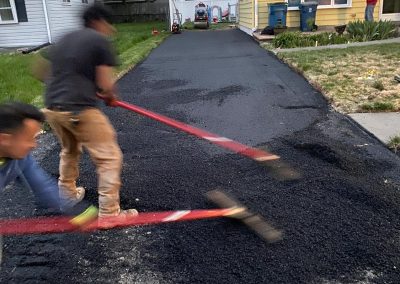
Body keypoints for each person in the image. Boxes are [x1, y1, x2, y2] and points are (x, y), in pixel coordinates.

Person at [40, 4, 137, 225]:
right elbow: (105, 84)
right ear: (98, 22)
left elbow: (41, 70)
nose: (111, 30)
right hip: (79, 109)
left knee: (70, 149)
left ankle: (67, 194)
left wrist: (67, 84)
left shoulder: (64, 38)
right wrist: (111, 96)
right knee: (109, 158)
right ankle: (110, 214)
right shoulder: (98, 40)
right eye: (109, 24)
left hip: (52, 109)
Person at [0, 102, 61, 211]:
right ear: (4, 140)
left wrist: (80, 214)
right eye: (28, 139)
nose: (34, 145)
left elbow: (44, 187)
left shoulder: (20, 158)